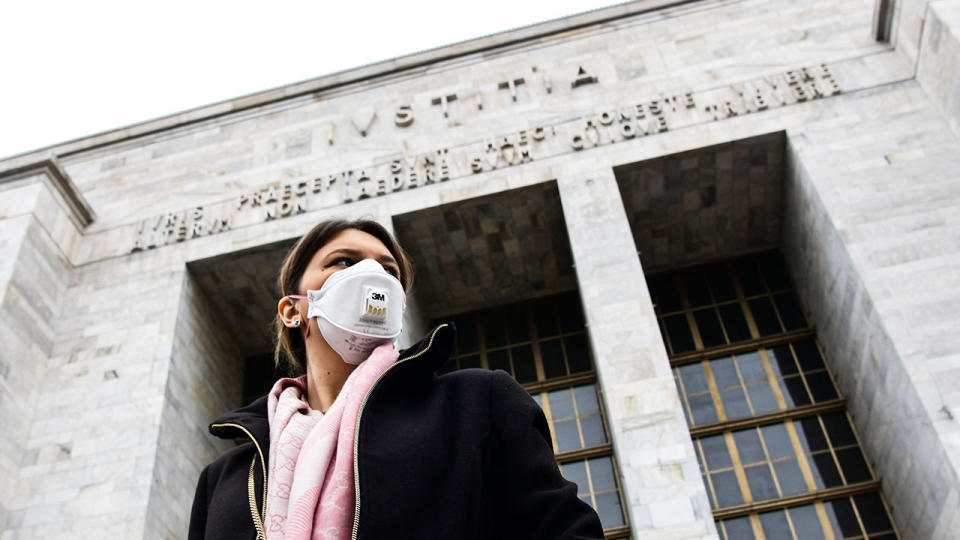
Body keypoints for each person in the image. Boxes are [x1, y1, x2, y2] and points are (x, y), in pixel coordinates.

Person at [188, 218, 604, 540]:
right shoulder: (223, 478)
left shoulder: (477, 404)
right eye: (343, 262)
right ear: (293, 310)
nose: (372, 275)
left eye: (389, 271)